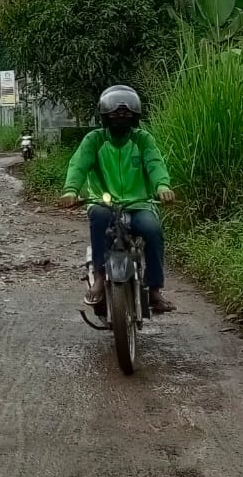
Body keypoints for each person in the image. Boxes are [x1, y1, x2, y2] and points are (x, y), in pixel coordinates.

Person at [59, 84, 177, 313]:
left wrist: (163, 186)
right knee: (99, 220)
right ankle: (101, 278)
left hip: (139, 203)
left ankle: (154, 290)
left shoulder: (143, 140)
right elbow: (78, 166)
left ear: (135, 117)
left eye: (126, 113)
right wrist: (71, 190)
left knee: (152, 230)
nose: (120, 117)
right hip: (104, 202)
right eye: (115, 113)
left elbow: (155, 165)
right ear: (104, 116)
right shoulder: (94, 140)